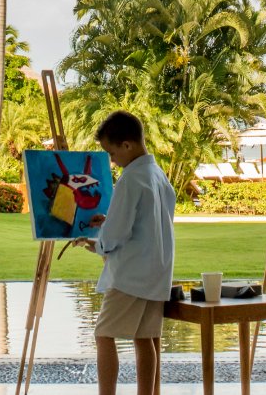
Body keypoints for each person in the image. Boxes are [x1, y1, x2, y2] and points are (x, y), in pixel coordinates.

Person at [75, 111, 176, 395]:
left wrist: (97, 243)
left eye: (111, 152)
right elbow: (151, 222)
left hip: (131, 274)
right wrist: (109, 227)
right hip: (157, 271)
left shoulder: (130, 179)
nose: (111, 160)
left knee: (103, 335)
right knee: (146, 338)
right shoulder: (157, 174)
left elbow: (117, 233)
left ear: (127, 145)